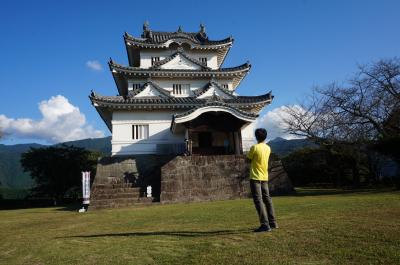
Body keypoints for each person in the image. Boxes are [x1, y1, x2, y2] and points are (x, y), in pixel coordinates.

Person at [247, 128, 278, 232]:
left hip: (255, 177)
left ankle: (265, 224)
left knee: (258, 200)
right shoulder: (268, 148)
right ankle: (273, 223)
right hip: (265, 177)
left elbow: (248, 159)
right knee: (267, 199)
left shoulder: (254, 148)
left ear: (256, 137)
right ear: (265, 136)